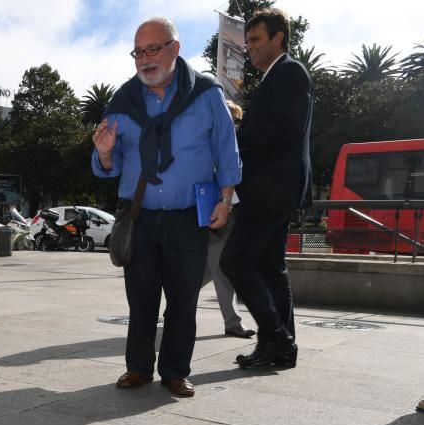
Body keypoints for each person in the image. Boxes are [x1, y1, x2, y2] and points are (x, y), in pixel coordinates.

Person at [92, 16, 241, 397]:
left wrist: (225, 200)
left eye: (152, 49)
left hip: (188, 217)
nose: (144, 59)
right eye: (138, 52)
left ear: (174, 49)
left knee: (182, 299)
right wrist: (106, 154)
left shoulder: (206, 94)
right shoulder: (122, 102)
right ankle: (138, 368)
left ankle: (175, 371)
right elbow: (109, 168)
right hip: (139, 217)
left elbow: (227, 151)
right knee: (140, 299)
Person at [220, 8, 313, 370]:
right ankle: (278, 348)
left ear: (279, 38)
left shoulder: (290, 73)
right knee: (271, 267)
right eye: (247, 42)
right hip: (274, 188)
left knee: (235, 259)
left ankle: (277, 335)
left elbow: (284, 129)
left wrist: (234, 137)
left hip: (272, 189)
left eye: (256, 40)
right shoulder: (276, 77)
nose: (249, 48)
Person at [201, 100, 254, 339]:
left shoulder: (231, 147)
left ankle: (176, 307)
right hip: (216, 215)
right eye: (233, 120)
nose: (235, 126)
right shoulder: (214, 147)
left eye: (237, 121)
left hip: (227, 215)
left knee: (205, 271)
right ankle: (232, 322)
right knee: (222, 268)